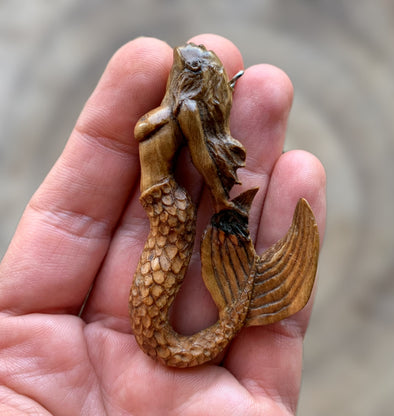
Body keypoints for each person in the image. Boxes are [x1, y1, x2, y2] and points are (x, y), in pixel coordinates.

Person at [0, 34, 326, 415]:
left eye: (186, 67)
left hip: (170, 204)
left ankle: (235, 300)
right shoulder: (175, 105)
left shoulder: (187, 109)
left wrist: (221, 199)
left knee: (155, 296)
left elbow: (204, 156)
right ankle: (233, 304)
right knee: (149, 307)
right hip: (161, 200)